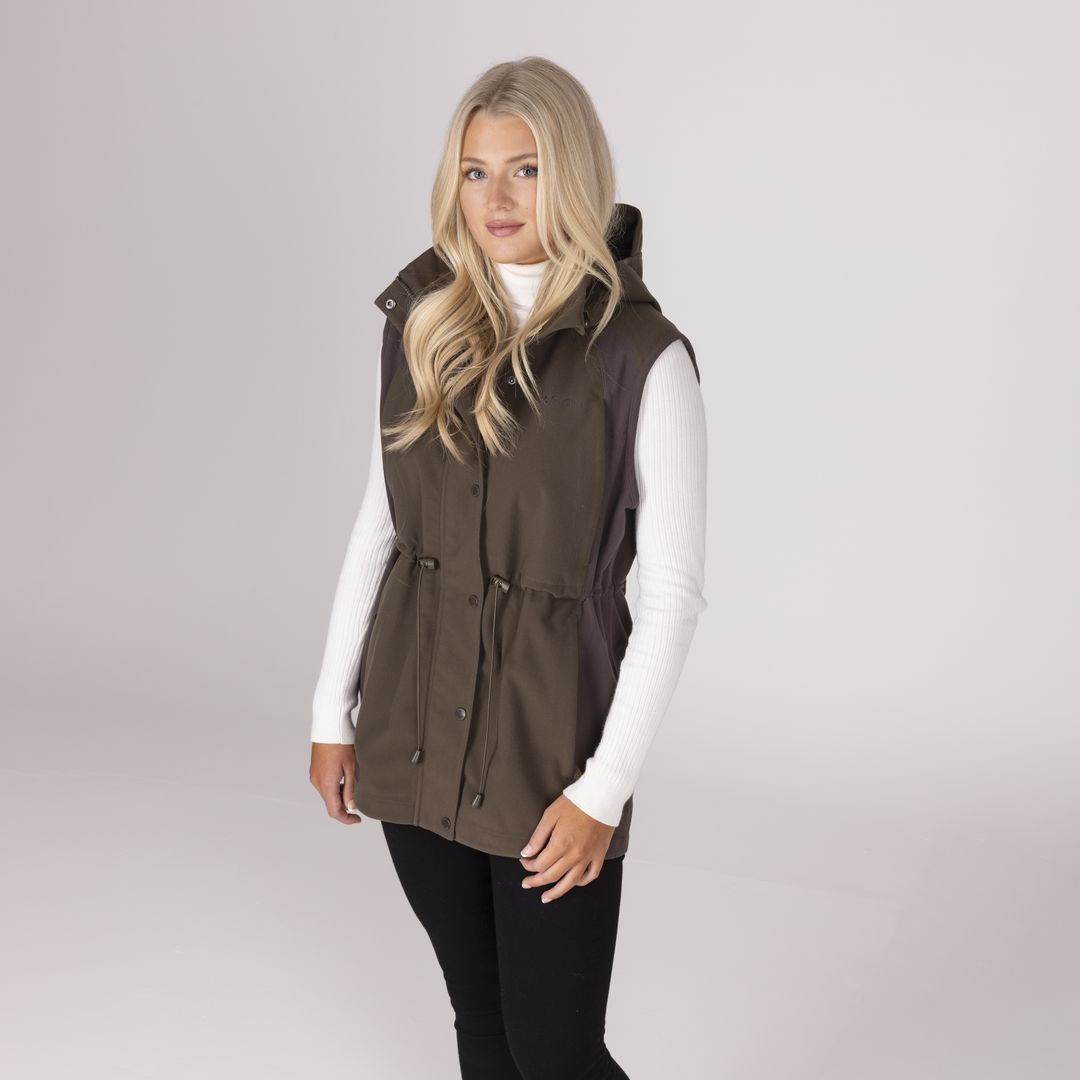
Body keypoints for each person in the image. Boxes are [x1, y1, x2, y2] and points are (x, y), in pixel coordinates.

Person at [308, 56, 707, 1080]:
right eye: (475, 170)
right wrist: (330, 712)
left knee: (555, 1050)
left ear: (572, 174)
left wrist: (603, 792)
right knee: (481, 1025)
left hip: (548, 756)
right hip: (411, 730)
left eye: (525, 170)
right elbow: (380, 524)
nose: (496, 198)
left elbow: (669, 597)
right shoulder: (423, 322)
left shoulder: (641, 357)